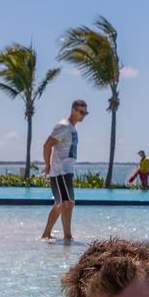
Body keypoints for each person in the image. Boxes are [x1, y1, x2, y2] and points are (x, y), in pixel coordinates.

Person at [41, 100, 87, 240]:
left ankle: (47, 234)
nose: (83, 115)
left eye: (85, 113)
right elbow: (47, 145)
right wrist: (48, 165)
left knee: (61, 203)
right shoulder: (64, 126)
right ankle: (67, 236)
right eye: (81, 112)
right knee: (68, 202)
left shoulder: (72, 128)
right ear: (73, 110)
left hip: (66, 169)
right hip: (61, 170)